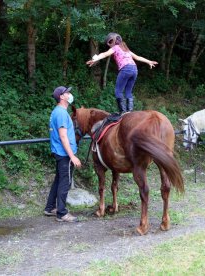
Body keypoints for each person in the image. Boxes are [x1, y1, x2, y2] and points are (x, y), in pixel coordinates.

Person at [86, 32, 158, 114]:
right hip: (134, 69)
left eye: (109, 43)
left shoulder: (115, 48)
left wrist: (94, 59)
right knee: (128, 91)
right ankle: (129, 112)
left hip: (126, 69)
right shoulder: (125, 49)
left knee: (118, 91)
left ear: (113, 41)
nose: (109, 45)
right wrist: (149, 61)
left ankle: (123, 112)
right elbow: (138, 57)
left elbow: (104, 54)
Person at [44, 86, 82, 223]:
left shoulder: (59, 112)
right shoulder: (60, 113)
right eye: (68, 93)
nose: (70, 94)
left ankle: (50, 208)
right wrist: (72, 156)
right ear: (62, 96)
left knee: (59, 180)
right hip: (64, 154)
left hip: (60, 152)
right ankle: (61, 213)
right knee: (65, 182)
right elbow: (63, 136)